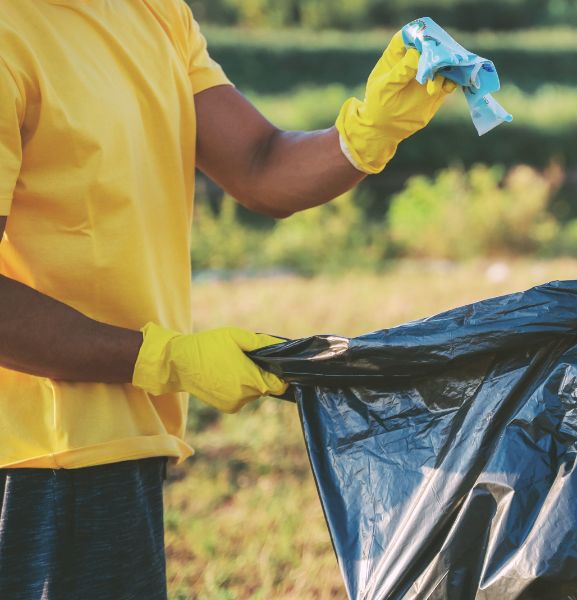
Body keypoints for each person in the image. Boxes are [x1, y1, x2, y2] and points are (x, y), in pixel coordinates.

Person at [0, 2, 454, 596]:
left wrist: (367, 132)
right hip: (32, 453)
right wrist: (163, 358)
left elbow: (259, 163)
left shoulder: (152, 12)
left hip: (122, 435)